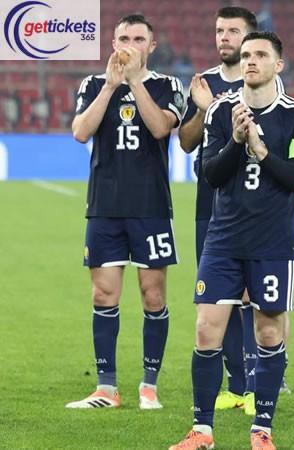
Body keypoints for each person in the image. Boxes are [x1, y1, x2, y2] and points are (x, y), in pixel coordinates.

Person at [169, 31, 294, 450]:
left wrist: (260, 149)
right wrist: (236, 141)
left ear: (278, 64)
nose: (250, 60)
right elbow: (210, 174)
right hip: (224, 240)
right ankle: (202, 430)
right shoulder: (220, 111)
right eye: (247, 54)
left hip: (273, 242)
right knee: (205, 329)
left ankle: (262, 429)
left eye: (260, 55)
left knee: (268, 333)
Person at [67, 14, 185, 410]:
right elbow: (80, 132)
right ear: (113, 43)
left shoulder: (168, 86)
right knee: (103, 293)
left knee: (153, 295)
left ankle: (149, 386)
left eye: (137, 39)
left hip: (151, 207)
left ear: (151, 46)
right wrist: (111, 86)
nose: (129, 45)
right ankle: (106, 388)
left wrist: (134, 82)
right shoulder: (93, 84)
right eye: (123, 38)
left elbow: (160, 128)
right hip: (104, 206)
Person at [178, 5, 256, 414]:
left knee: (252, 296)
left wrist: (217, 109)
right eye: (220, 30)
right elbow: (186, 141)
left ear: (250, 37)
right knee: (219, 295)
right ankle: (236, 385)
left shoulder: (260, 82)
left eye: (233, 31)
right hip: (209, 203)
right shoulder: (203, 83)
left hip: (252, 204)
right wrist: (203, 109)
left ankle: (257, 383)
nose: (224, 37)